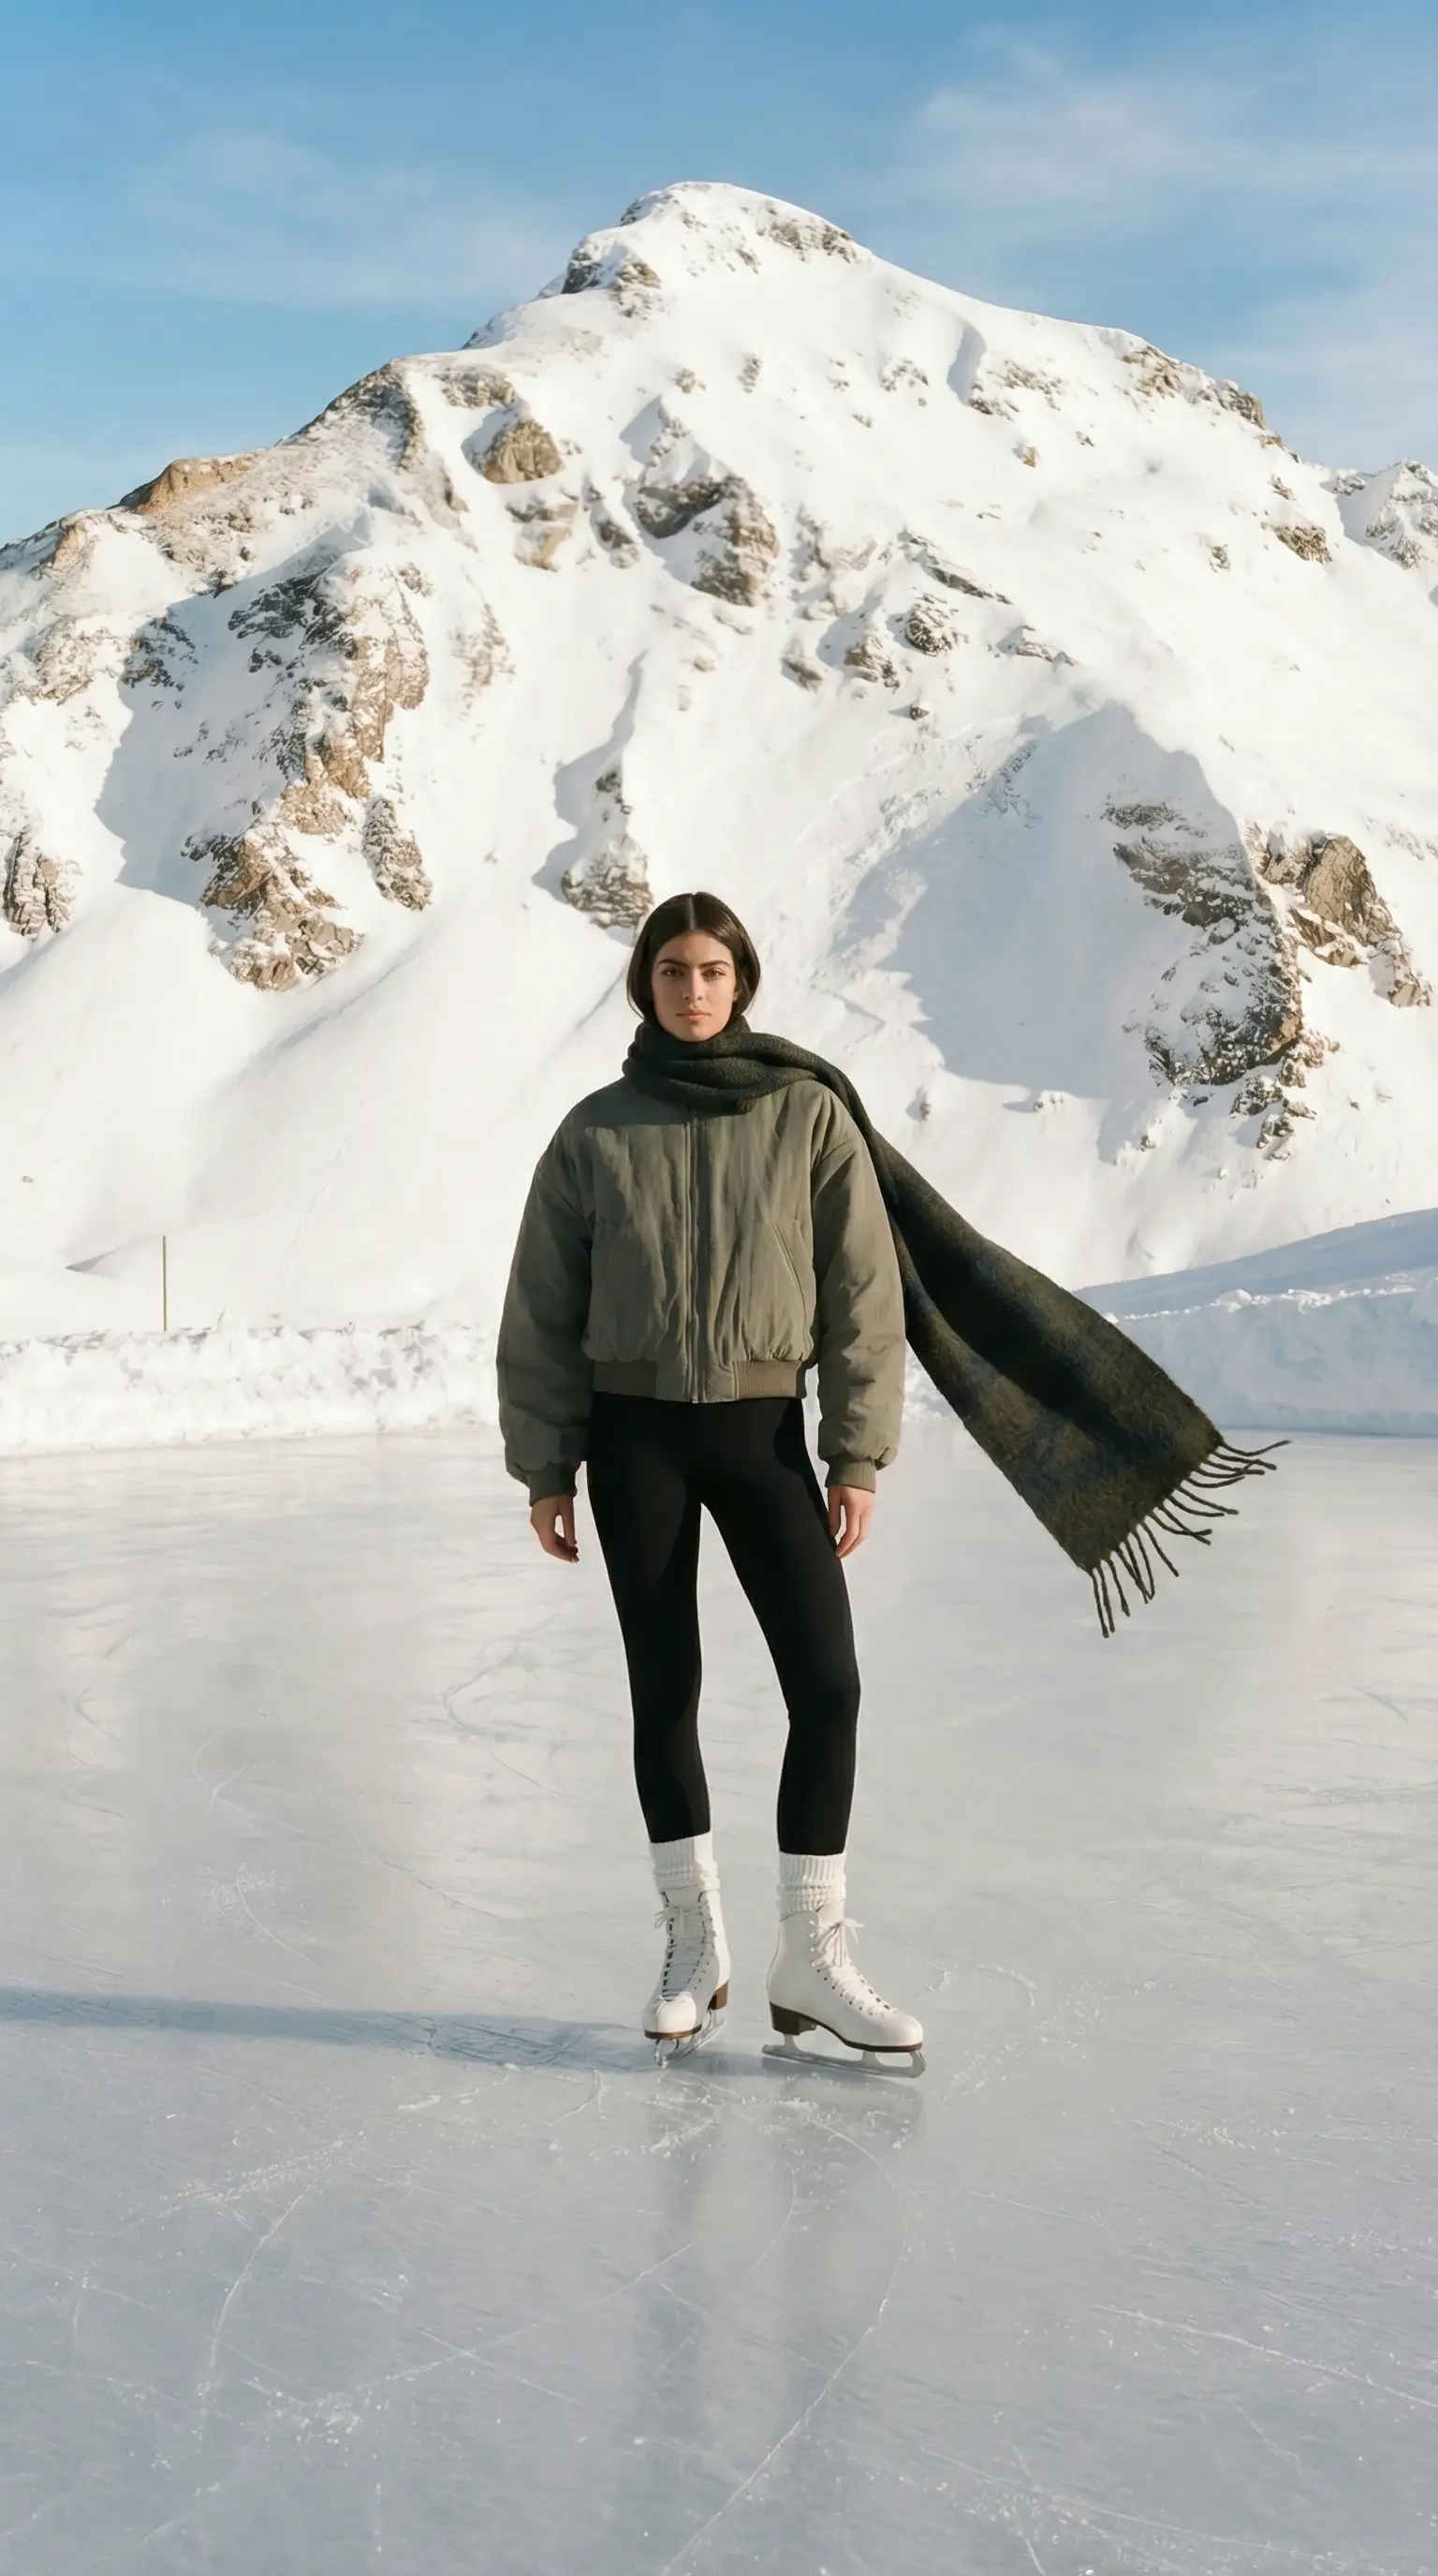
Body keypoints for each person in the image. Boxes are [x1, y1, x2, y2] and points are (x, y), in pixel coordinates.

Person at [496, 890, 924, 2060]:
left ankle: (812, 1955)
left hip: (762, 1433)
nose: (694, 990)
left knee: (826, 1684)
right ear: (646, 983)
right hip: (633, 1439)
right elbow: (541, 1307)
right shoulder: (595, 1131)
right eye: (674, 970)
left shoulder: (805, 1113)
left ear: (743, 982)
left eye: (714, 971)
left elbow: (863, 1293)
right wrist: (546, 1463)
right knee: (664, 1689)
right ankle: (695, 1946)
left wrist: (856, 1450)